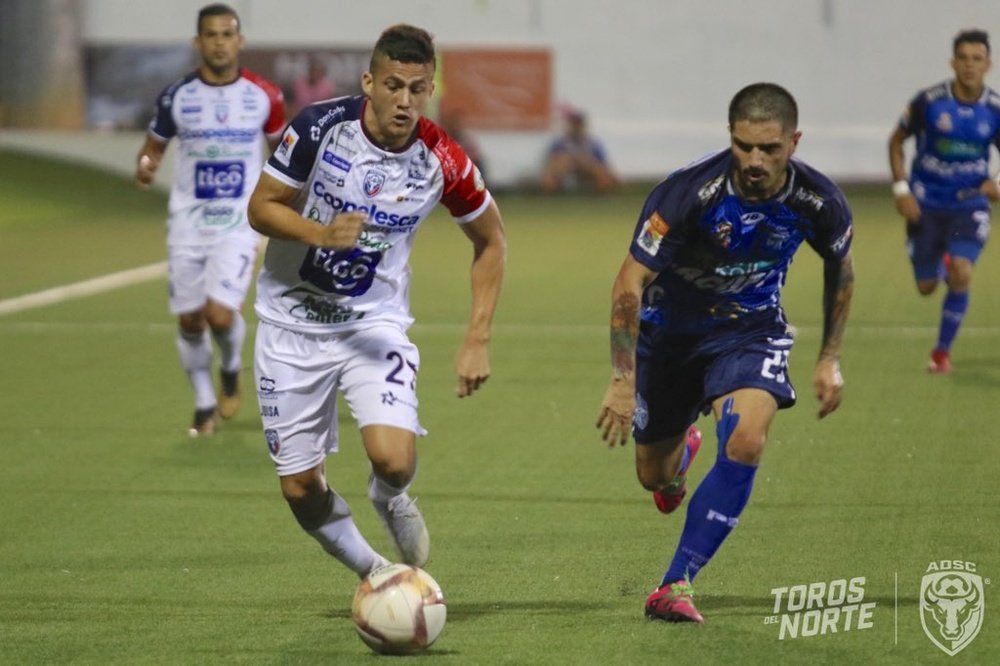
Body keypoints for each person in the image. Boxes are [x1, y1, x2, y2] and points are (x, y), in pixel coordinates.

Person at [247, 25, 506, 579]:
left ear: (430, 88)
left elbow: (491, 240)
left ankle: (388, 498)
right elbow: (261, 208)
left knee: (395, 459)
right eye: (393, 86)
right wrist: (319, 234)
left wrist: (477, 338)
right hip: (289, 323)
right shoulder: (319, 128)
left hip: (372, 324)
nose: (405, 101)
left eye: (417, 88)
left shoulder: (444, 159)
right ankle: (376, 572)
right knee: (300, 487)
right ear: (369, 81)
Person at [596, 83, 854, 623]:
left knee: (746, 438)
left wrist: (830, 356)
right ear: (730, 138)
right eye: (744, 147)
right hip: (668, 339)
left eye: (770, 149)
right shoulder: (688, 194)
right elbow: (629, 282)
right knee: (653, 476)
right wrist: (623, 378)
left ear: (794, 142)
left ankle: (676, 581)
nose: (755, 160)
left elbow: (840, 269)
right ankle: (679, 457)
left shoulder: (818, 201)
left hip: (749, 333)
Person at [135, 3, 286, 437]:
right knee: (189, 320)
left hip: (238, 224)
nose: (219, 42)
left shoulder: (264, 96)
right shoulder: (177, 96)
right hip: (186, 224)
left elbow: (283, 156)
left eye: (227, 34)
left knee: (219, 315)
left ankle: (232, 368)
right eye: (211, 35)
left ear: (240, 41)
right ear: (197, 42)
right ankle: (204, 403)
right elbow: (153, 149)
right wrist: (145, 165)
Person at [888, 29, 1000, 374]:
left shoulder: (995, 109)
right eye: (963, 58)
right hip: (925, 204)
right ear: (953, 63)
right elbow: (896, 141)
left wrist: (997, 183)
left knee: (962, 271)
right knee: (926, 287)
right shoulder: (930, 102)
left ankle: (941, 353)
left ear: (988, 64)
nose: (969, 65)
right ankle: (940, 262)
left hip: (969, 205)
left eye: (976, 59)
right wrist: (902, 191)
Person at [540, 108, 620, 193]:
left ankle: (602, 196)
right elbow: (551, 161)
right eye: (574, 124)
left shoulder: (593, 143)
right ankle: (549, 196)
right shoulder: (560, 143)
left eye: (578, 124)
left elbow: (603, 162)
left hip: (586, 168)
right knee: (554, 171)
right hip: (566, 168)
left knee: (601, 172)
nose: (576, 127)